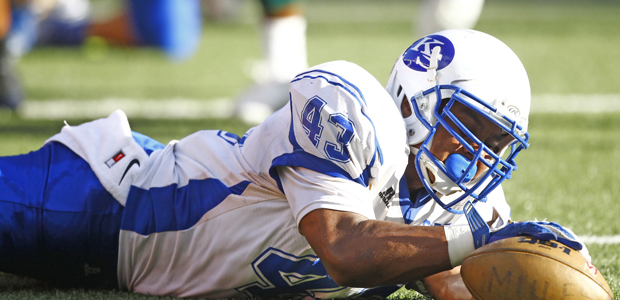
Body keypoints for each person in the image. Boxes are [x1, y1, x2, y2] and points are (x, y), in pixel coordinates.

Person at [0, 29, 587, 299]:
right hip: (106, 203)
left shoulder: (459, 212)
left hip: (128, 270)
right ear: (413, 103)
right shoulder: (351, 115)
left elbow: (451, 280)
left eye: (492, 142)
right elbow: (344, 247)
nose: (473, 155)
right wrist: (475, 236)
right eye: (466, 128)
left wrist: (538, 275)